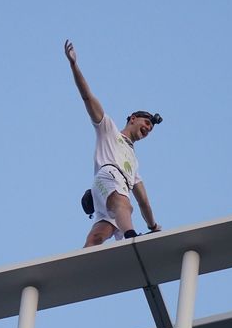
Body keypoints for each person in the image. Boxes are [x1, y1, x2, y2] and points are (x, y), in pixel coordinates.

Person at [64, 39, 162, 247]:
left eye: (150, 130)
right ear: (132, 118)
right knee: (123, 203)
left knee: (98, 236)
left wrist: (153, 226)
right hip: (107, 177)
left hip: (113, 190)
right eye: (146, 123)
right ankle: (131, 239)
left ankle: (83, 265)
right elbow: (87, 98)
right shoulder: (108, 129)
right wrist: (74, 66)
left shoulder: (134, 162)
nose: (147, 129)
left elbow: (143, 200)